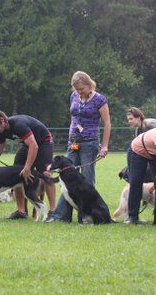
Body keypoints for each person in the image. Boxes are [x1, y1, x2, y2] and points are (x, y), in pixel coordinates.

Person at [47, 71, 111, 222]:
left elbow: (107, 123)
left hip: (89, 142)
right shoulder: (74, 96)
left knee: (87, 179)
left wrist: (105, 146)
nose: (79, 92)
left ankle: (88, 215)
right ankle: (61, 216)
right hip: (73, 141)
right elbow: (74, 117)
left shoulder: (100, 100)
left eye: (81, 89)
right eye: (76, 89)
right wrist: (71, 135)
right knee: (66, 178)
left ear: (89, 85)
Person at [0, 109, 56, 219]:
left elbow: (34, 146)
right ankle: (21, 211)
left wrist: (27, 168)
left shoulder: (18, 125)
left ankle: (53, 211)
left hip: (43, 142)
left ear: (2, 120)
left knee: (45, 174)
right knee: (16, 174)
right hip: (28, 145)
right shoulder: (0, 133)